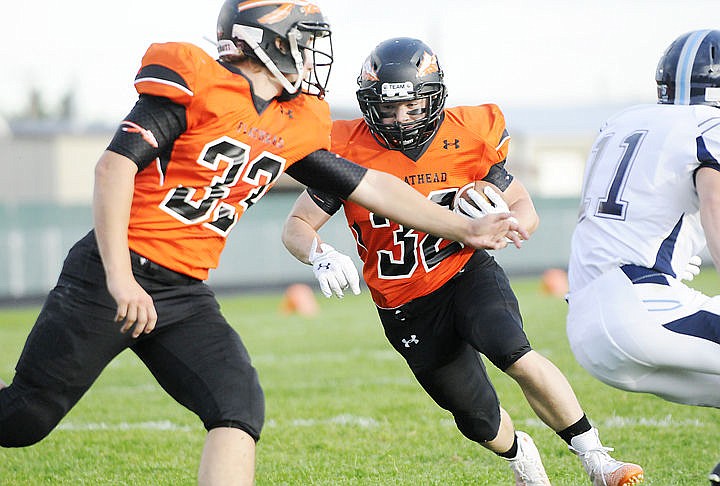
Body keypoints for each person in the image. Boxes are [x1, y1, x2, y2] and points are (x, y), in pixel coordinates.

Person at [0, 3, 526, 485]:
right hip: (112, 273)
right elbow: (113, 167)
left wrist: (461, 229)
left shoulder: (291, 120)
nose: (313, 55)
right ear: (268, 42)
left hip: (183, 290)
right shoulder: (199, 81)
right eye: (304, 40)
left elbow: (371, 185)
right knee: (25, 419)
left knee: (237, 404)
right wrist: (119, 278)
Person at [282, 37, 644, 486]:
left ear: (435, 98)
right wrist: (318, 253)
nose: (401, 119)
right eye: (389, 108)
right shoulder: (346, 147)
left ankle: (598, 460)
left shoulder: (470, 133)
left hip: (464, 272)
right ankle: (520, 453)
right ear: (368, 104)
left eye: (413, 107)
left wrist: (507, 224)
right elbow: (297, 224)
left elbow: (522, 206)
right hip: (404, 302)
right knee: (477, 418)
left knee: (513, 351)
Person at [566, 28, 720, 484]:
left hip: (588, 326)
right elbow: (714, 206)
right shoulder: (708, 125)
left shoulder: (623, 121)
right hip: (642, 304)